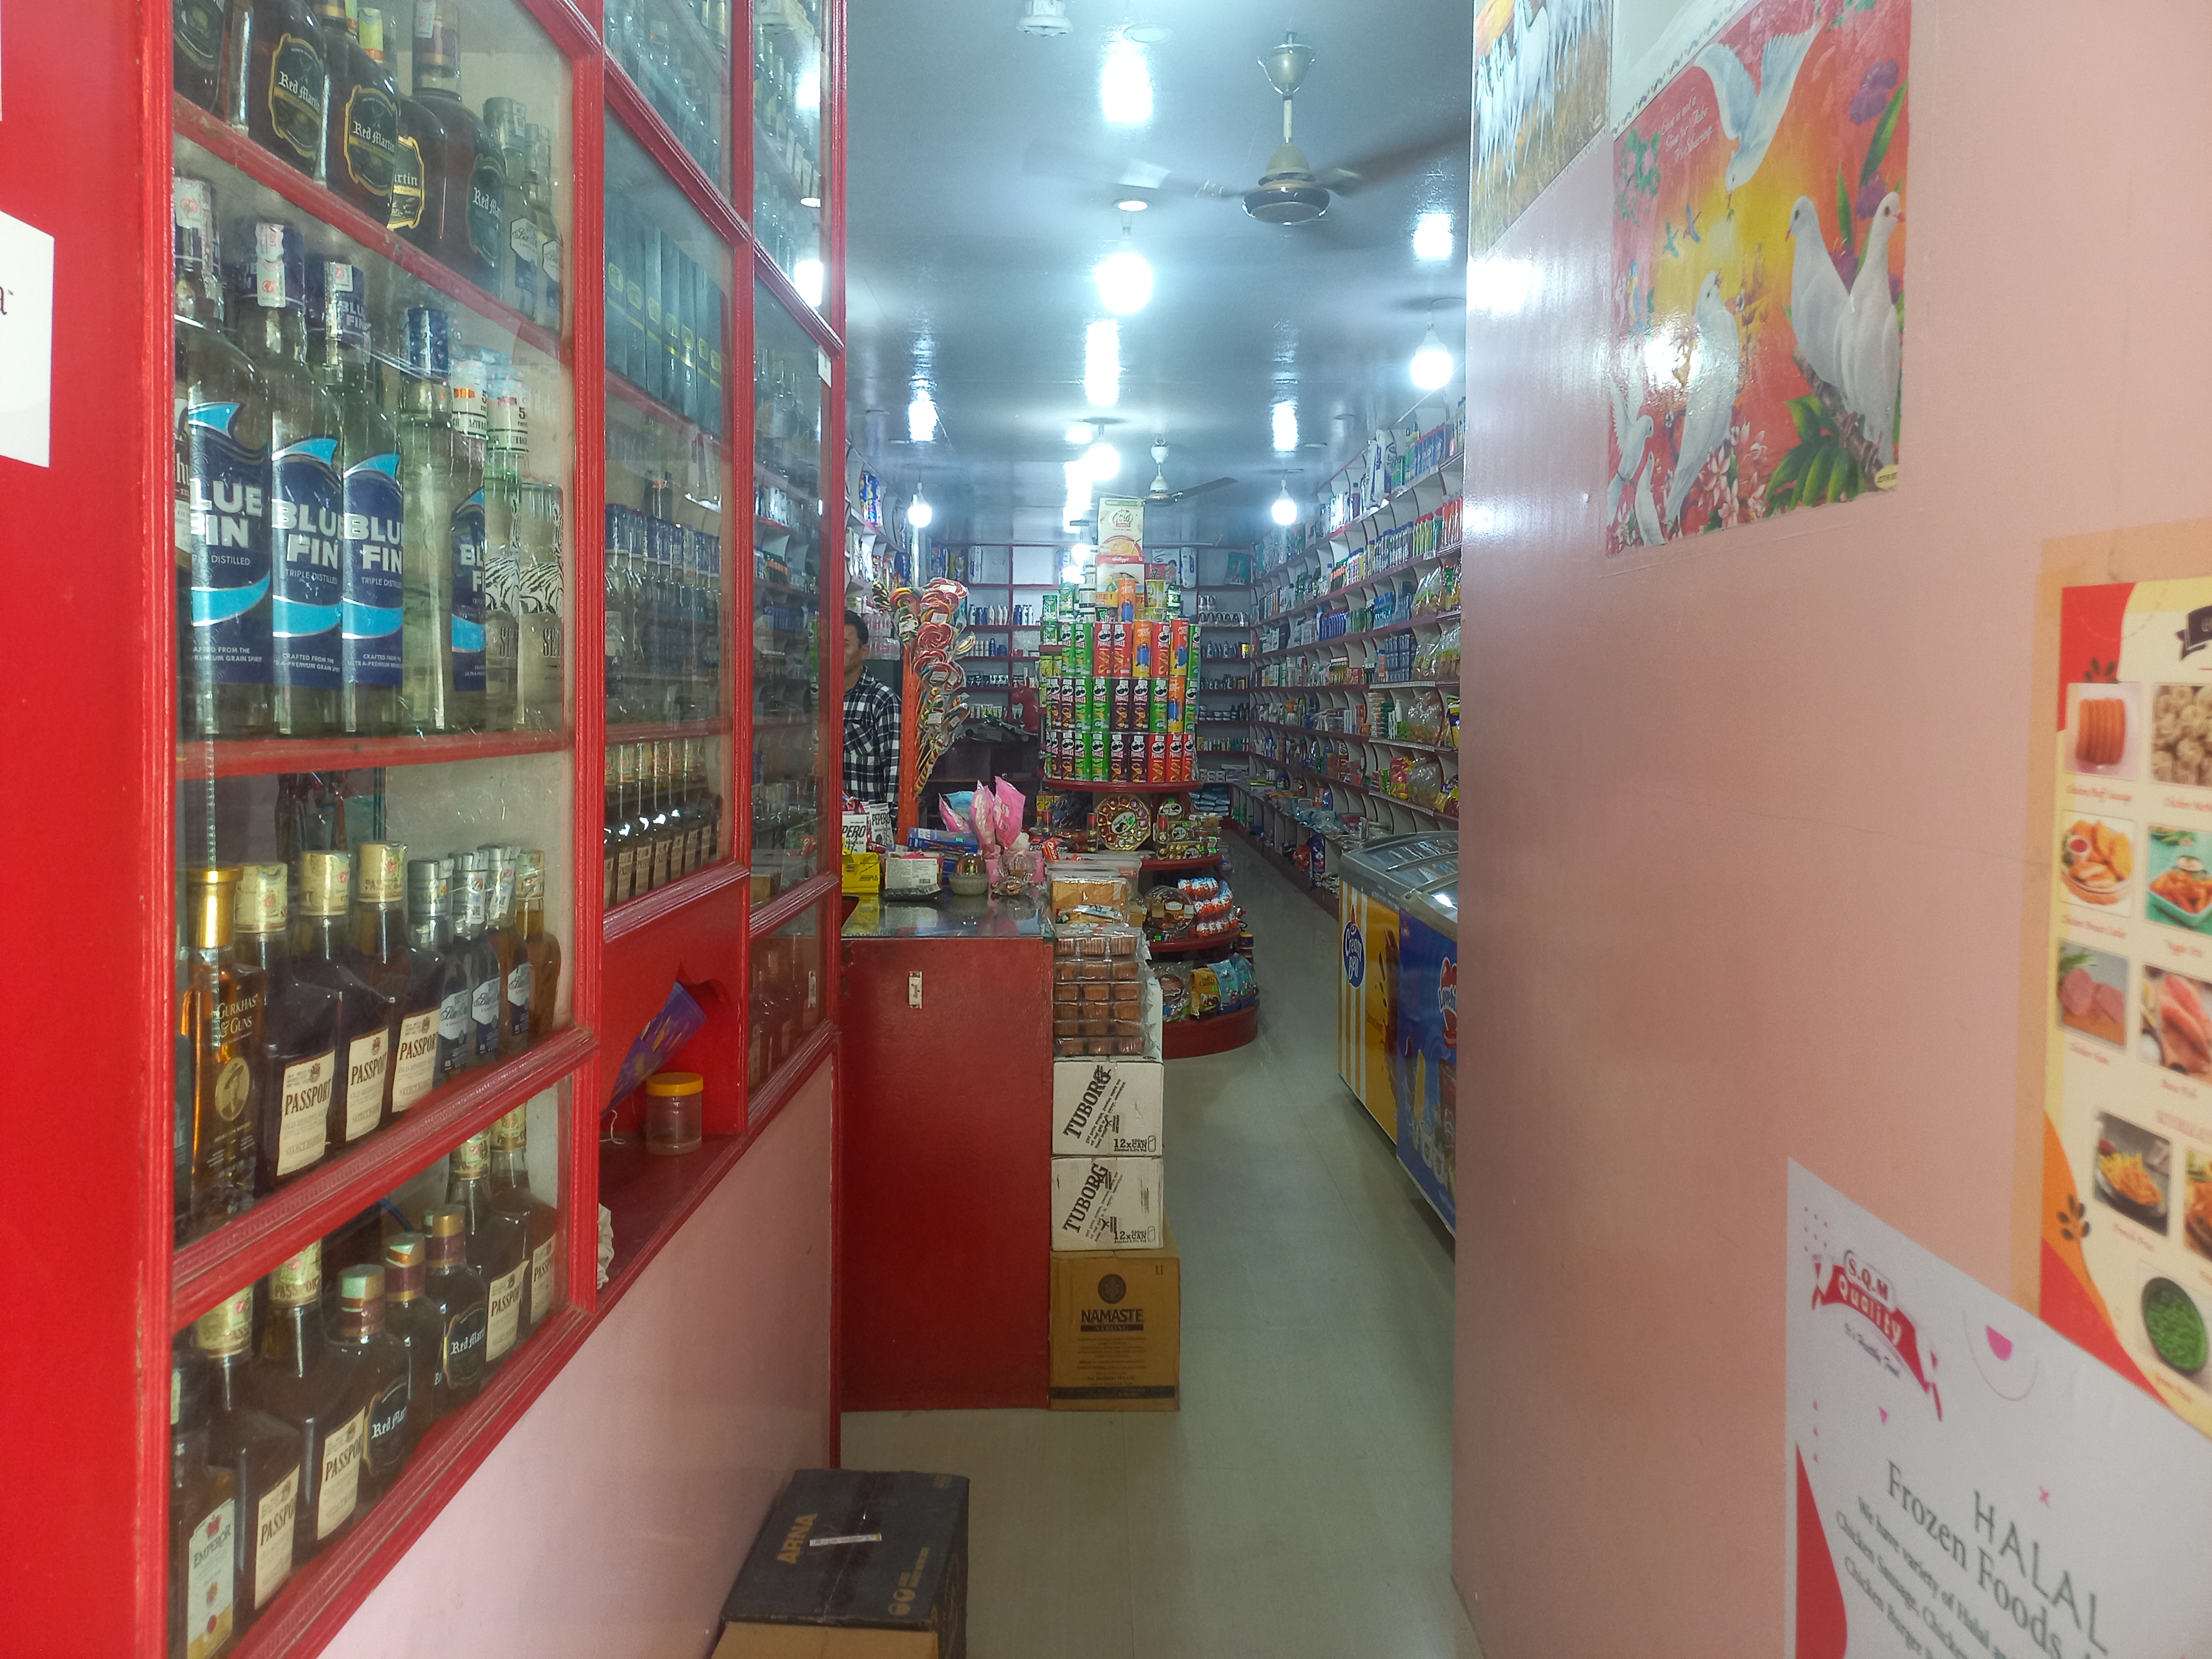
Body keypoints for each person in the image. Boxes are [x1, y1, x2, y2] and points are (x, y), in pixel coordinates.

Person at [842, 607, 902, 807]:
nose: (834, 652)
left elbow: (895, 771)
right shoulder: (819, 696)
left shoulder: (882, 700)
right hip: (826, 819)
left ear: (864, 651)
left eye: (844, 645)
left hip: (866, 821)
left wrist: (892, 820)